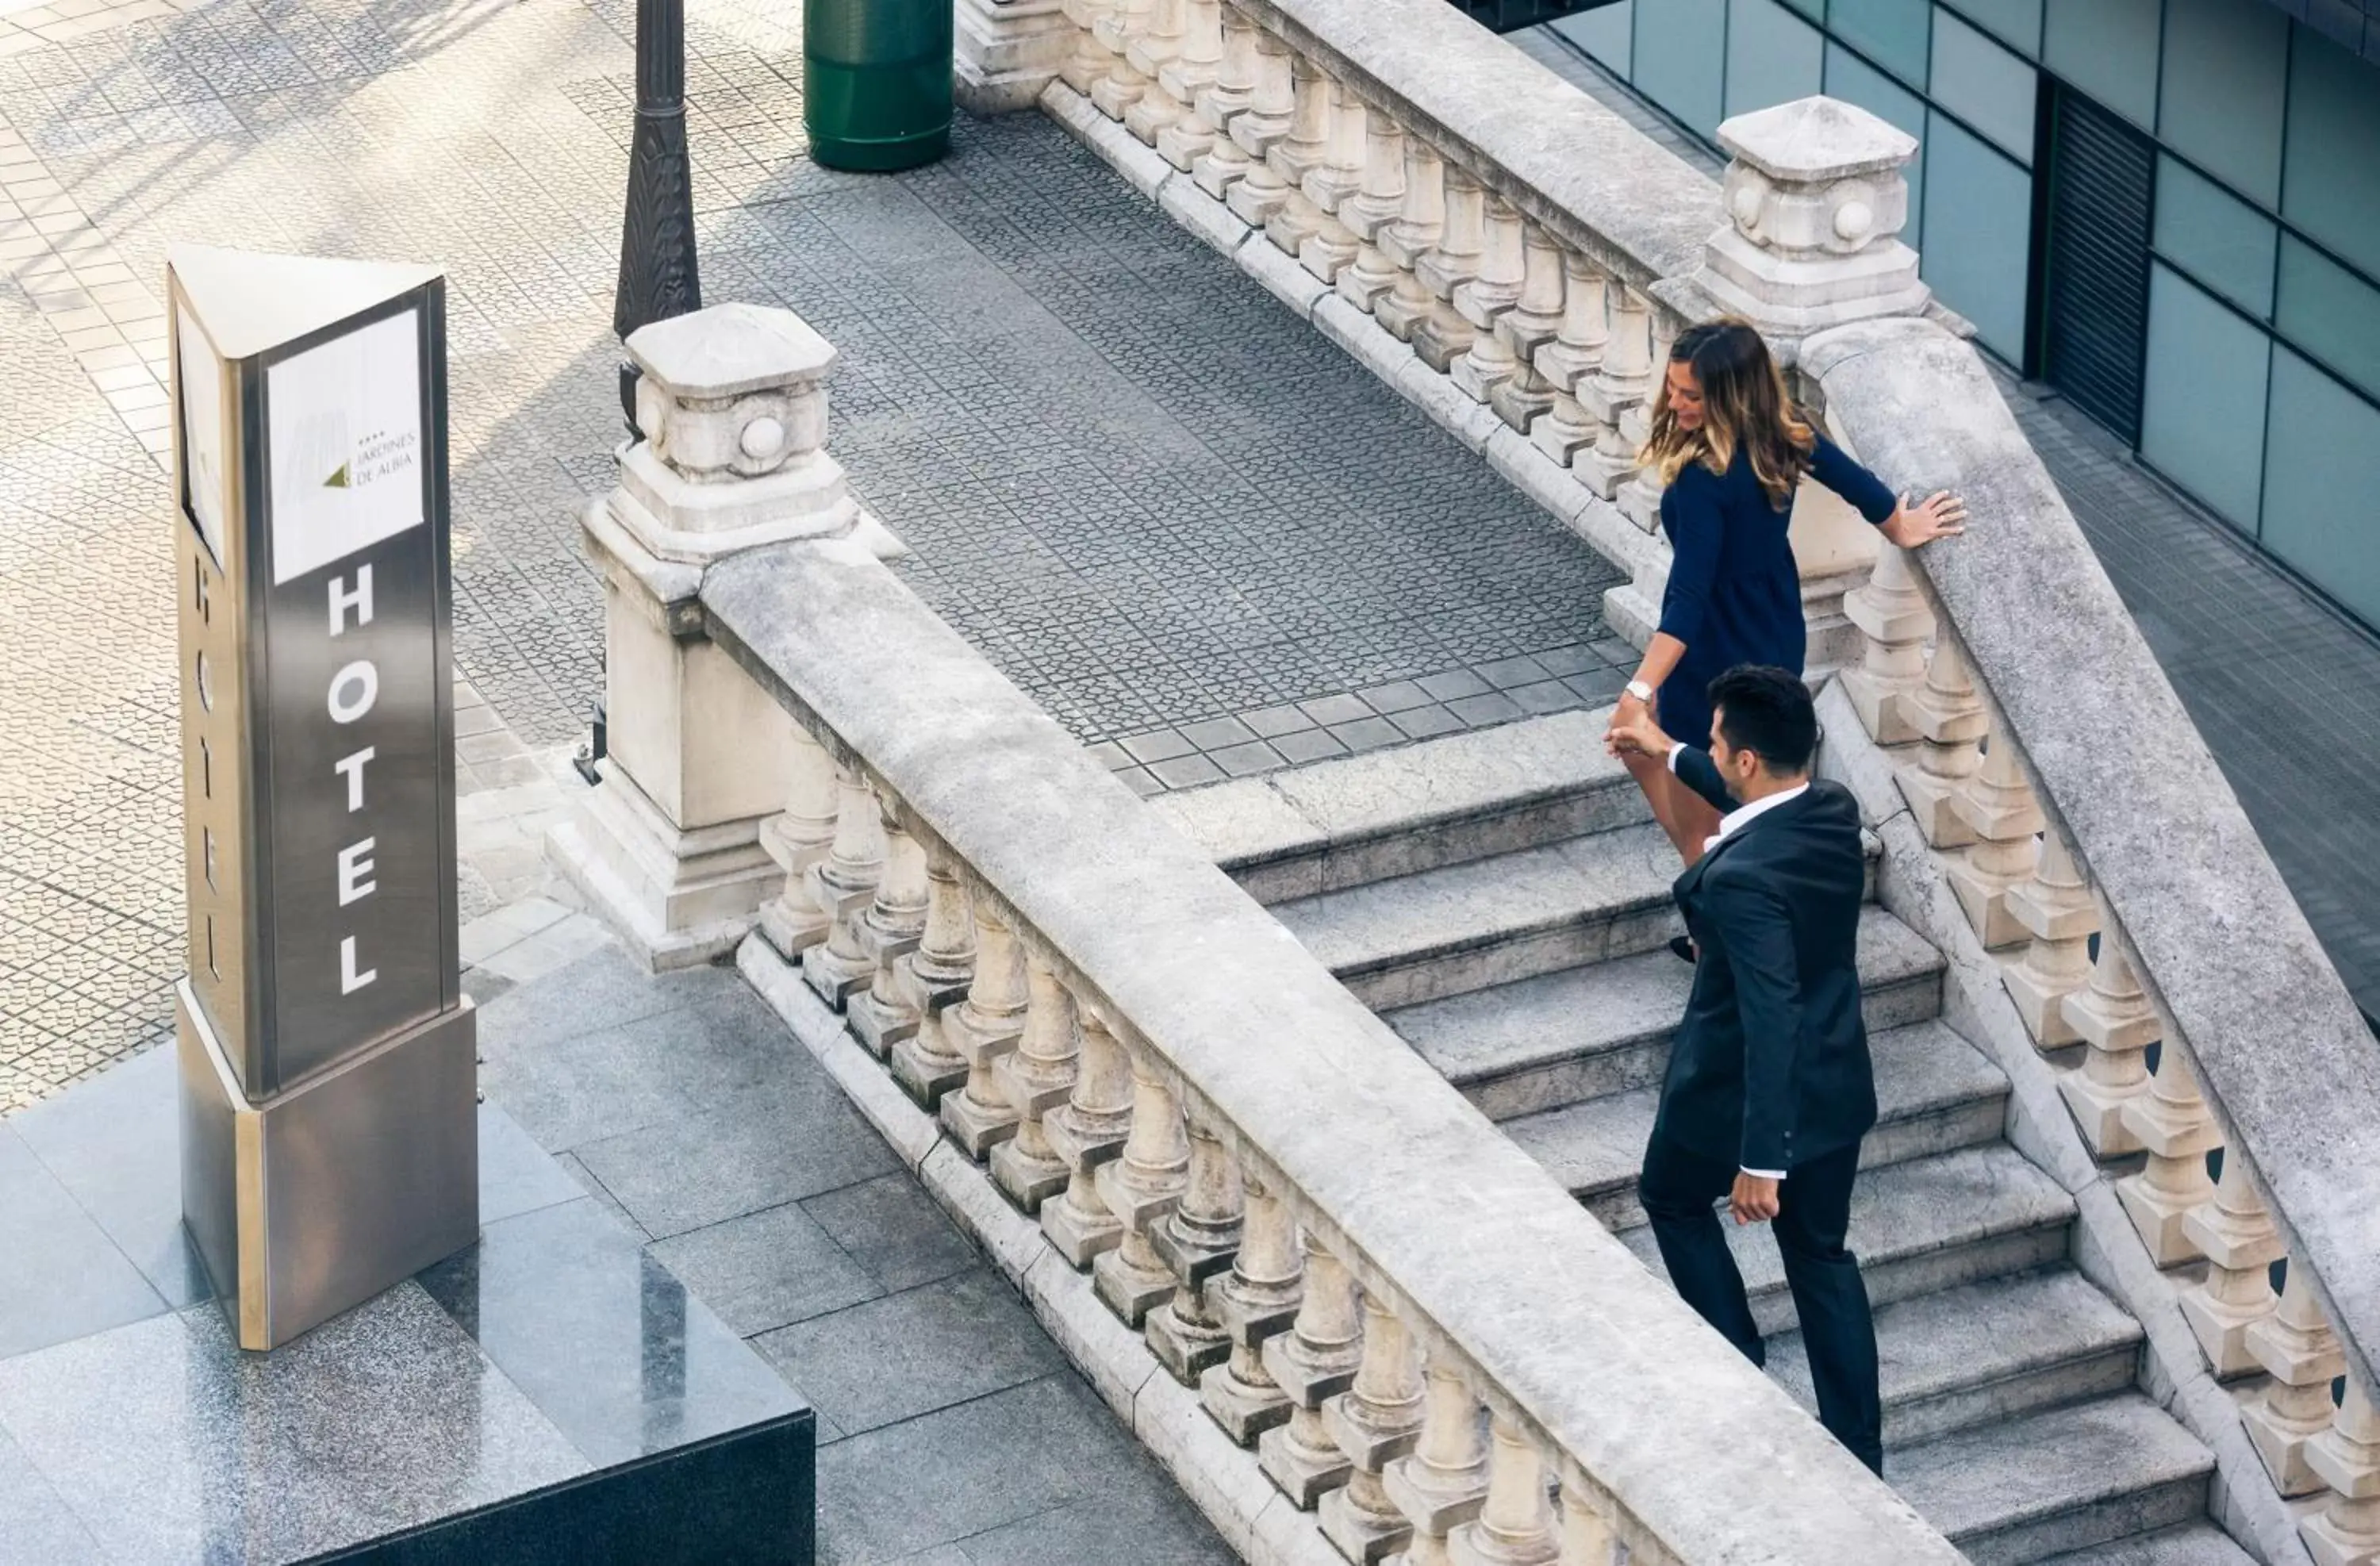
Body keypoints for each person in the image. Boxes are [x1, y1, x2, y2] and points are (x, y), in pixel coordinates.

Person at [1606, 665, 1884, 1477]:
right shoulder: (1830, 810)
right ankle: (1859, 1454)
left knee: (1668, 1197)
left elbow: (1772, 1018)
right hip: (1838, 1090)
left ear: (1750, 760)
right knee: (1823, 1259)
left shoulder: (1739, 881)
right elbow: (1750, 800)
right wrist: (1666, 749)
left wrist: (1763, 1161)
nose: (1714, 752)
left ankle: (1738, 1365)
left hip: (1737, 1101)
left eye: (1718, 743)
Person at [1609, 318, 1963, 935]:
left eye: (1692, 395)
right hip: (1775, 633)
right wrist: (1900, 526)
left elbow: (1687, 602)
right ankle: (1737, 910)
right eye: (1674, 388)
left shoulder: (1701, 483)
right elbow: (1858, 485)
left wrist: (1638, 690)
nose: (1676, 404)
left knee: (1693, 809)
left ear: (1731, 395)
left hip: (1714, 651)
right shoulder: (1783, 435)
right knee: (1722, 783)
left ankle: (1715, 937)